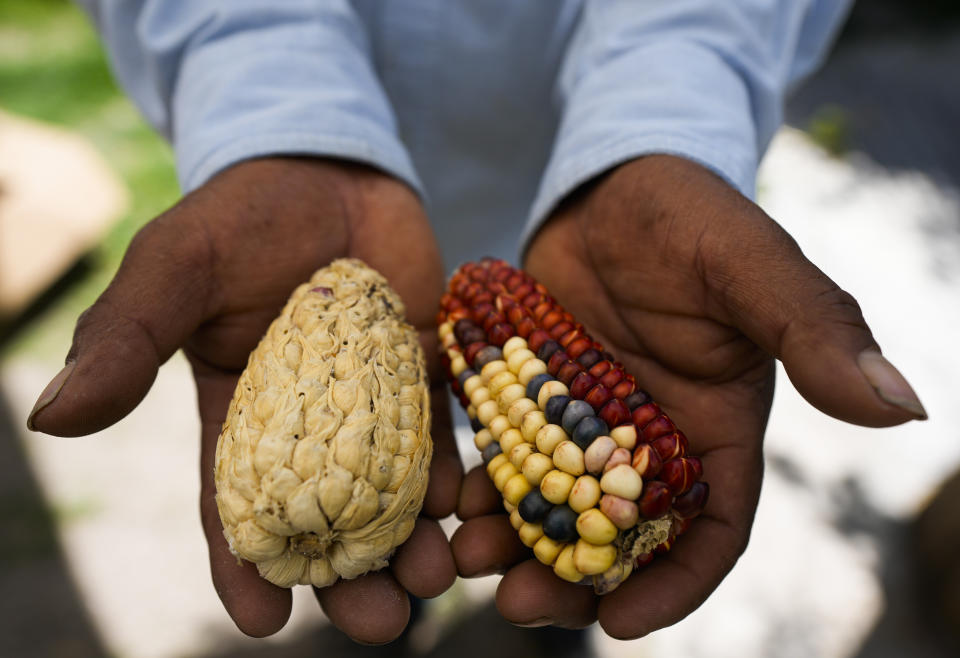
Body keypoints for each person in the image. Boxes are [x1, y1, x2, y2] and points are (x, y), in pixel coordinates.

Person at [28, 0, 926, 645]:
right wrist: (277, 122)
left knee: (519, 567)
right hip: (309, 224)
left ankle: (532, 634)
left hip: (609, 249)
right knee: (392, 562)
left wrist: (661, 128)